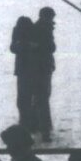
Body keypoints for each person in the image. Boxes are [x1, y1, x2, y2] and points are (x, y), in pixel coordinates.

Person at [27, 7, 57, 139]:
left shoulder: (37, 28)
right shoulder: (44, 29)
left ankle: (36, 125)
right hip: (43, 68)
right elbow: (51, 47)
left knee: (39, 98)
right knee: (43, 98)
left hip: (38, 68)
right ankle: (45, 129)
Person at [9, 15, 36, 130]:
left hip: (22, 70)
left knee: (22, 97)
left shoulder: (17, 32)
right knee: (32, 96)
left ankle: (24, 120)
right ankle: (32, 121)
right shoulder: (33, 32)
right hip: (33, 69)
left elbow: (12, 47)